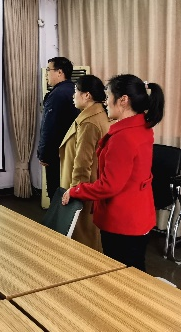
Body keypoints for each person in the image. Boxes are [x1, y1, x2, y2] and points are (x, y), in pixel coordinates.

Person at [62, 74, 164, 272]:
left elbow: (109, 185)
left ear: (123, 100)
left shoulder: (123, 137)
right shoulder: (142, 127)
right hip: (138, 214)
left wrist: (76, 191)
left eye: (108, 96)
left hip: (122, 220)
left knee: (120, 275)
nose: (106, 102)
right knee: (134, 271)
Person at [58, 75, 109, 251]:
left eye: (75, 91)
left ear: (86, 95)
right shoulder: (98, 115)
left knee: (80, 236)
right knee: (89, 234)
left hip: (82, 187)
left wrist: (75, 191)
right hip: (92, 185)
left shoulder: (89, 123)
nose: (73, 96)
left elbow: (82, 163)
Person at [38, 57, 79, 199]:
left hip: (57, 153)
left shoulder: (56, 94)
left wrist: (44, 154)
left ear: (60, 72)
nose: (46, 74)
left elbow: (48, 127)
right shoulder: (77, 90)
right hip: (75, 151)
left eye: (49, 70)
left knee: (55, 192)